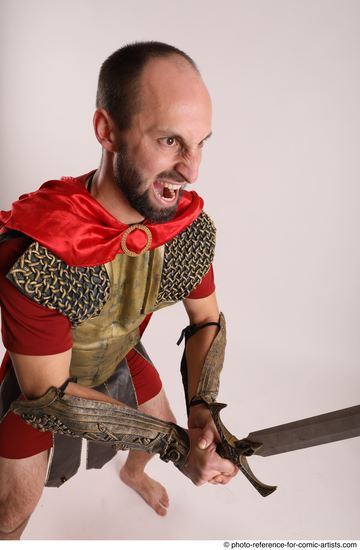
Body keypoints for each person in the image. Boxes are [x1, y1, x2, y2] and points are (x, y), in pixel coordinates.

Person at [0, 42, 237, 540]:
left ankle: (133, 472)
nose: (192, 171)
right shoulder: (41, 249)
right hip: (42, 386)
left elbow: (206, 323)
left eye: (200, 143)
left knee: (161, 427)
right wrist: (180, 447)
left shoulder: (183, 228)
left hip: (122, 351)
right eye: (170, 141)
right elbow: (49, 391)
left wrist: (202, 412)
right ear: (107, 131)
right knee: (12, 509)